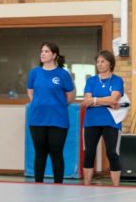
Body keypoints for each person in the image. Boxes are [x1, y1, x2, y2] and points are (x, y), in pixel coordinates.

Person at [26, 42, 75, 183]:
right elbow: (31, 92)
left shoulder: (63, 74)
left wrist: (57, 106)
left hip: (58, 120)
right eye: (42, 51)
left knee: (56, 153)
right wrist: (39, 104)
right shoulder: (34, 73)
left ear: (54, 55)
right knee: (40, 154)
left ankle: (58, 184)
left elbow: (70, 96)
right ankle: (38, 184)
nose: (42, 53)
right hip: (37, 119)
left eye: (46, 51)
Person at [81, 50, 124, 186]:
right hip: (91, 121)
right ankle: (86, 184)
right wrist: (103, 101)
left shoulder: (117, 80)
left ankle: (116, 185)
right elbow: (86, 100)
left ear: (110, 64)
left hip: (110, 121)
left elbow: (113, 98)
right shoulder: (91, 81)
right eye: (98, 61)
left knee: (111, 153)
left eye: (103, 61)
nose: (99, 64)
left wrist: (94, 100)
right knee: (89, 152)